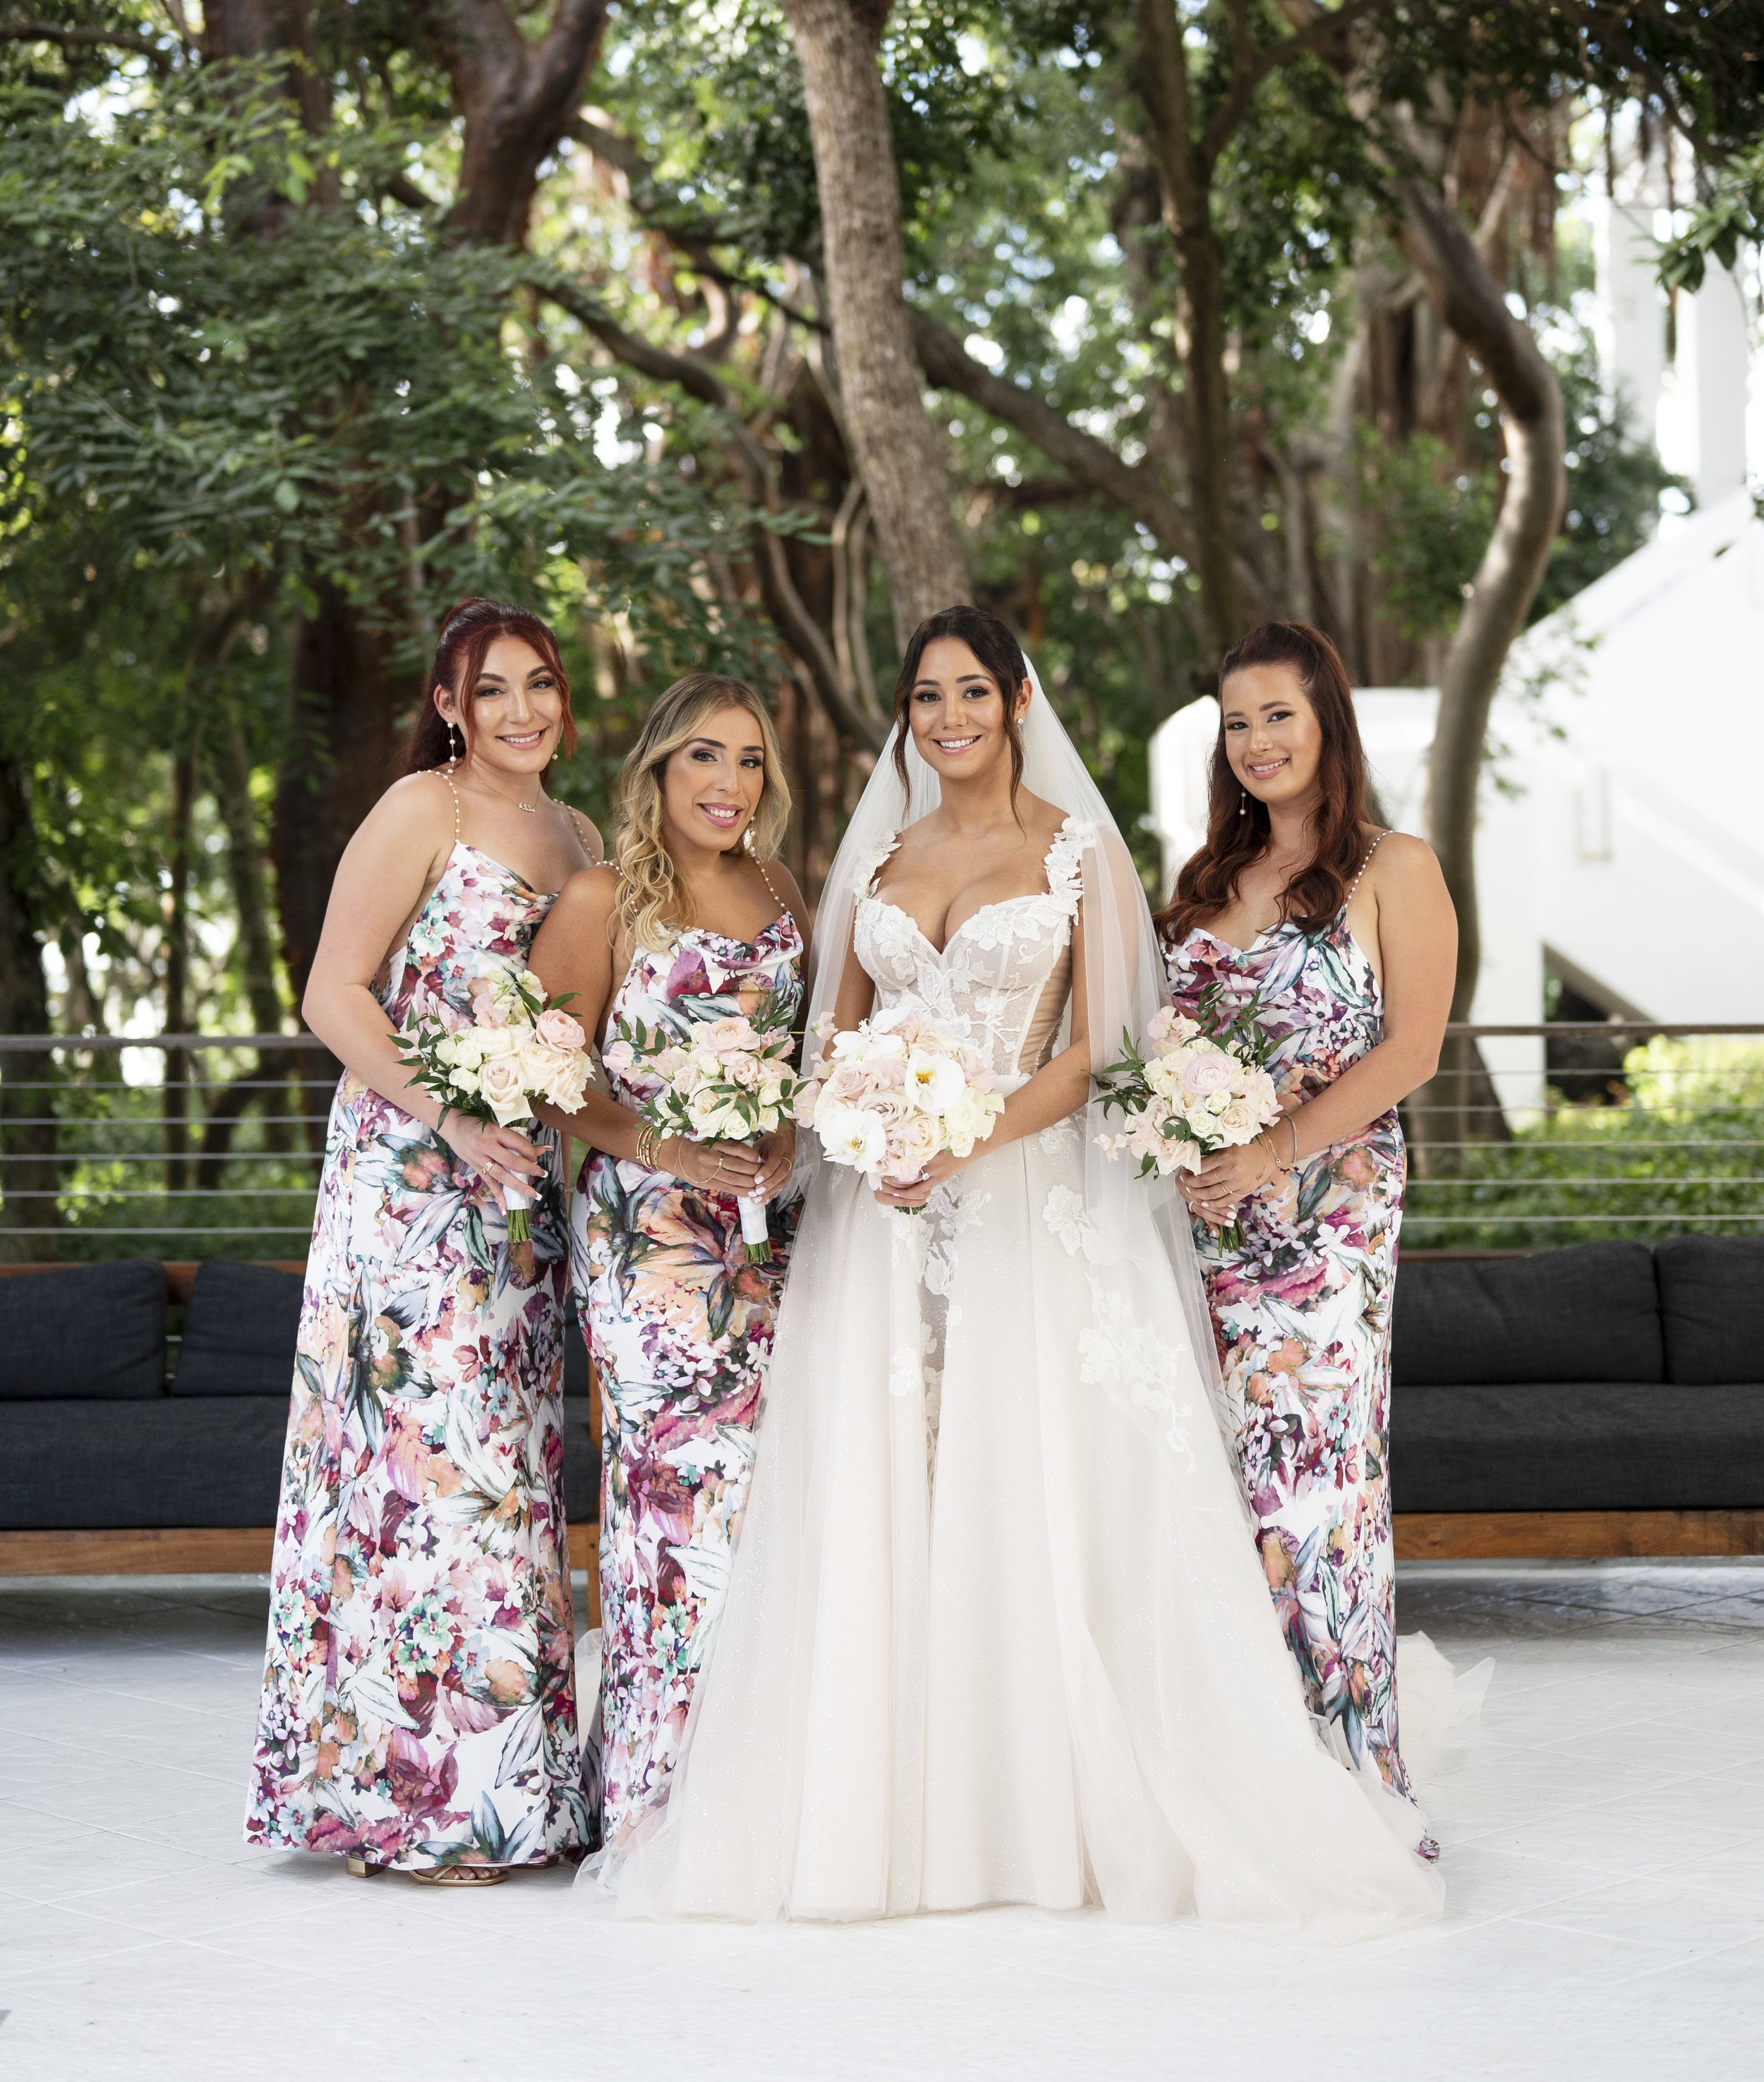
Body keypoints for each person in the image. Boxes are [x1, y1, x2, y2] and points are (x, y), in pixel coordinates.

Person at [582, 605, 1445, 1933]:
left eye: (973, 691)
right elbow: (833, 1036)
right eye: (926, 696)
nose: (949, 717)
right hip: (882, 1217)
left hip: (1027, 1192)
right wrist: (862, 1124)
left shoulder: (1080, 850)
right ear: (907, 715)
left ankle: (1056, 1800)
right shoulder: (877, 855)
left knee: (1029, 1474)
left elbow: (1101, 1050)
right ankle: (899, 1809)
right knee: (894, 1486)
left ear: (1018, 698)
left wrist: (961, 1129)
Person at [246, 596, 600, 1882]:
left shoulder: (578, 833)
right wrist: (449, 1113)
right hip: (408, 1176)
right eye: (491, 689)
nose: (521, 712)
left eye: (540, 684)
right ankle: (415, 1798)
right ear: (449, 704)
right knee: (423, 1476)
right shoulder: (419, 809)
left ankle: (521, 1794)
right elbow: (331, 990)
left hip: (524, 1189)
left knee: (509, 1470)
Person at [1158, 618, 1457, 1848]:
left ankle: (1349, 1779)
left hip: (1326, 1227)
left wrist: (1275, 1148)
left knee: (1322, 1489)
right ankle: (1238, 1776)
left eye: (1279, 713)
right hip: (1205, 1230)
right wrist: (1179, 1152)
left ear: (1328, 718)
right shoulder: (1202, 882)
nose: (1259, 740)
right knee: (1218, 1492)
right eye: (1238, 722)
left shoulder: (1397, 865)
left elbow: (1412, 1050)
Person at [528, 676, 806, 1855]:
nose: (727, 783)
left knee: (758, 1508)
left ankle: (754, 1794)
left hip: (768, 1242)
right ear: (655, 768)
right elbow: (545, 1070)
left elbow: (807, 1059)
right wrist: (667, 1143)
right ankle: (651, 1808)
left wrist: (781, 1141)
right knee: (664, 1509)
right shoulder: (605, 897)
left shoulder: (784, 889)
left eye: (748, 762)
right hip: (644, 1247)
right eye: (703, 756)